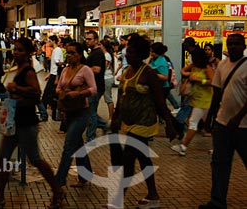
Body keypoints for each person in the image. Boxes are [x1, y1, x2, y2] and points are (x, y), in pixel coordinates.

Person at [0, 37, 65, 209]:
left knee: (35, 159)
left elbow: (36, 92)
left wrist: (16, 88)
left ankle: (57, 191)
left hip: (26, 123)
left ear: (28, 53)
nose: (16, 52)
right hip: (15, 121)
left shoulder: (28, 71)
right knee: (3, 157)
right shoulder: (19, 69)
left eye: (20, 50)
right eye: (15, 49)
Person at [110, 34, 176, 209]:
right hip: (129, 122)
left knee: (128, 159)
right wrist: (116, 118)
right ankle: (153, 195)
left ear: (140, 55)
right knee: (144, 158)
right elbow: (121, 97)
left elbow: (160, 101)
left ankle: (118, 201)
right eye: (127, 52)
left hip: (144, 123)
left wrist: (169, 124)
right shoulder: (127, 72)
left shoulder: (148, 73)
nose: (127, 55)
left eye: (131, 52)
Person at [198, 34, 247, 209]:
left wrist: (238, 117)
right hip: (222, 125)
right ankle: (217, 201)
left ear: (243, 46)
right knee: (219, 164)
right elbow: (217, 93)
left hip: (244, 127)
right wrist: (209, 117)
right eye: (230, 44)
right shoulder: (222, 65)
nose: (233, 47)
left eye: (237, 44)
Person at [55, 42, 96, 188]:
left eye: (72, 53)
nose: (69, 56)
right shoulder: (65, 70)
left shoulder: (85, 70)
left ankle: (59, 180)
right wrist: (62, 93)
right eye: (68, 53)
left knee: (68, 145)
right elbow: (58, 87)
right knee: (78, 146)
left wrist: (78, 93)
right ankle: (85, 175)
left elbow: (93, 89)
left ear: (79, 55)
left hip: (81, 112)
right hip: (68, 112)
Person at [171, 48, 213, 156]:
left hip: (204, 99)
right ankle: (219, 147)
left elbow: (212, 81)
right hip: (195, 98)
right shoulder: (194, 65)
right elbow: (183, 70)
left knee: (193, 123)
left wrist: (199, 80)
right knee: (207, 124)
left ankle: (183, 146)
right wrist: (189, 75)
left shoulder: (207, 68)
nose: (192, 59)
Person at [84, 30, 108, 142]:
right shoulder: (93, 52)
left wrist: (83, 71)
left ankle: (91, 136)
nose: (87, 41)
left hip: (96, 87)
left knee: (91, 113)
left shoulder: (97, 53)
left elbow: (97, 69)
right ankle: (106, 125)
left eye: (89, 39)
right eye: (86, 39)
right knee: (90, 111)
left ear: (96, 40)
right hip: (92, 87)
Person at [40, 35, 63, 121]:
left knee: (47, 95)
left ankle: (45, 114)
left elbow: (57, 63)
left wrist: (56, 77)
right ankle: (50, 113)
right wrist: (49, 74)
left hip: (55, 75)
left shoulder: (57, 50)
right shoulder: (55, 50)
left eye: (49, 41)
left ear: (53, 41)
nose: (48, 43)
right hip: (53, 74)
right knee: (49, 95)